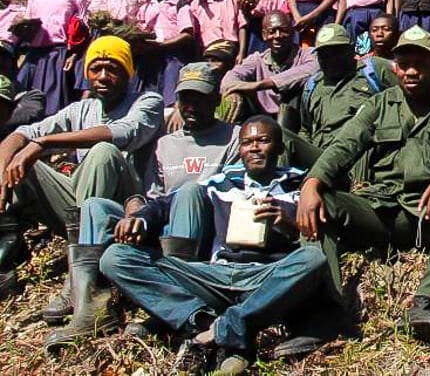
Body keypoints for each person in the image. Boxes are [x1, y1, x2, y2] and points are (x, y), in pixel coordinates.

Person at [296, 26, 430, 342]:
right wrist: (312, 183)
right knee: (323, 203)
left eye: (421, 63)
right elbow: (343, 146)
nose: (412, 71)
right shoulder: (379, 104)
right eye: (405, 64)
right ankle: (323, 312)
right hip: (384, 211)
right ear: (394, 67)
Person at [100, 116, 332, 374]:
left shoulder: (299, 188)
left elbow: (316, 236)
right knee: (115, 258)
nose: (254, 147)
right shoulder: (221, 182)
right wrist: (139, 220)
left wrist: (287, 222)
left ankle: (223, 329)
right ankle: (201, 321)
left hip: (265, 279)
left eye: (263, 140)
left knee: (313, 259)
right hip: (214, 275)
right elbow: (165, 204)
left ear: (279, 148)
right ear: (240, 150)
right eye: (247, 143)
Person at [47, 63, 240, 349]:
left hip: (204, 232)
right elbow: (152, 194)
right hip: (163, 224)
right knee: (95, 206)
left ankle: (177, 298)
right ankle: (92, 305)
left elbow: (229, 192)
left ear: (216, 100)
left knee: (189, 192)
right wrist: (135, 211)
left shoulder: (235, 137)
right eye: (186, 98)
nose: (191, 105)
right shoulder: (166, 144)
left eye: (200, 97)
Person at [0, 37, 163, 295]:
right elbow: (22, 133)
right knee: (21, 161)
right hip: (79, 207)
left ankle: (81, 275)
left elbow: (125, 132)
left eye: (113, 68)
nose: (103, 76)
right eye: (96, 69)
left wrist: (42, 143)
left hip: (127, 207)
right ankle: (6, 254)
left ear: (128, 72)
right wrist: (7, 164)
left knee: (103, 152)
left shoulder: (148, 101)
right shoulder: (81, 108)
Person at [281, 24, 397, 169]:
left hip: (362, 157)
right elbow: (306, 129)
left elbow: (408, 96)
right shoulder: (312, 85)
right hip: (323, 158)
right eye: (323, 54)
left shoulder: (373, 70)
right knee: (278, 135)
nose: (330, 59)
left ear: (350, 49)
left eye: (336, 52)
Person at [220, 12, 318, 121]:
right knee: (228, 101)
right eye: (272, 31)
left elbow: (311, 69)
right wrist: (234, 92)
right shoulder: (257, 59)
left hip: (299, 119)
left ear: (292, 33)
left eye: (283, 30)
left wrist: (259, 85)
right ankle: (218, 133)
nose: (277, 36)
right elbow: (230, 77)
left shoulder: (307, 54)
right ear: (264, 35)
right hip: (264, 120)